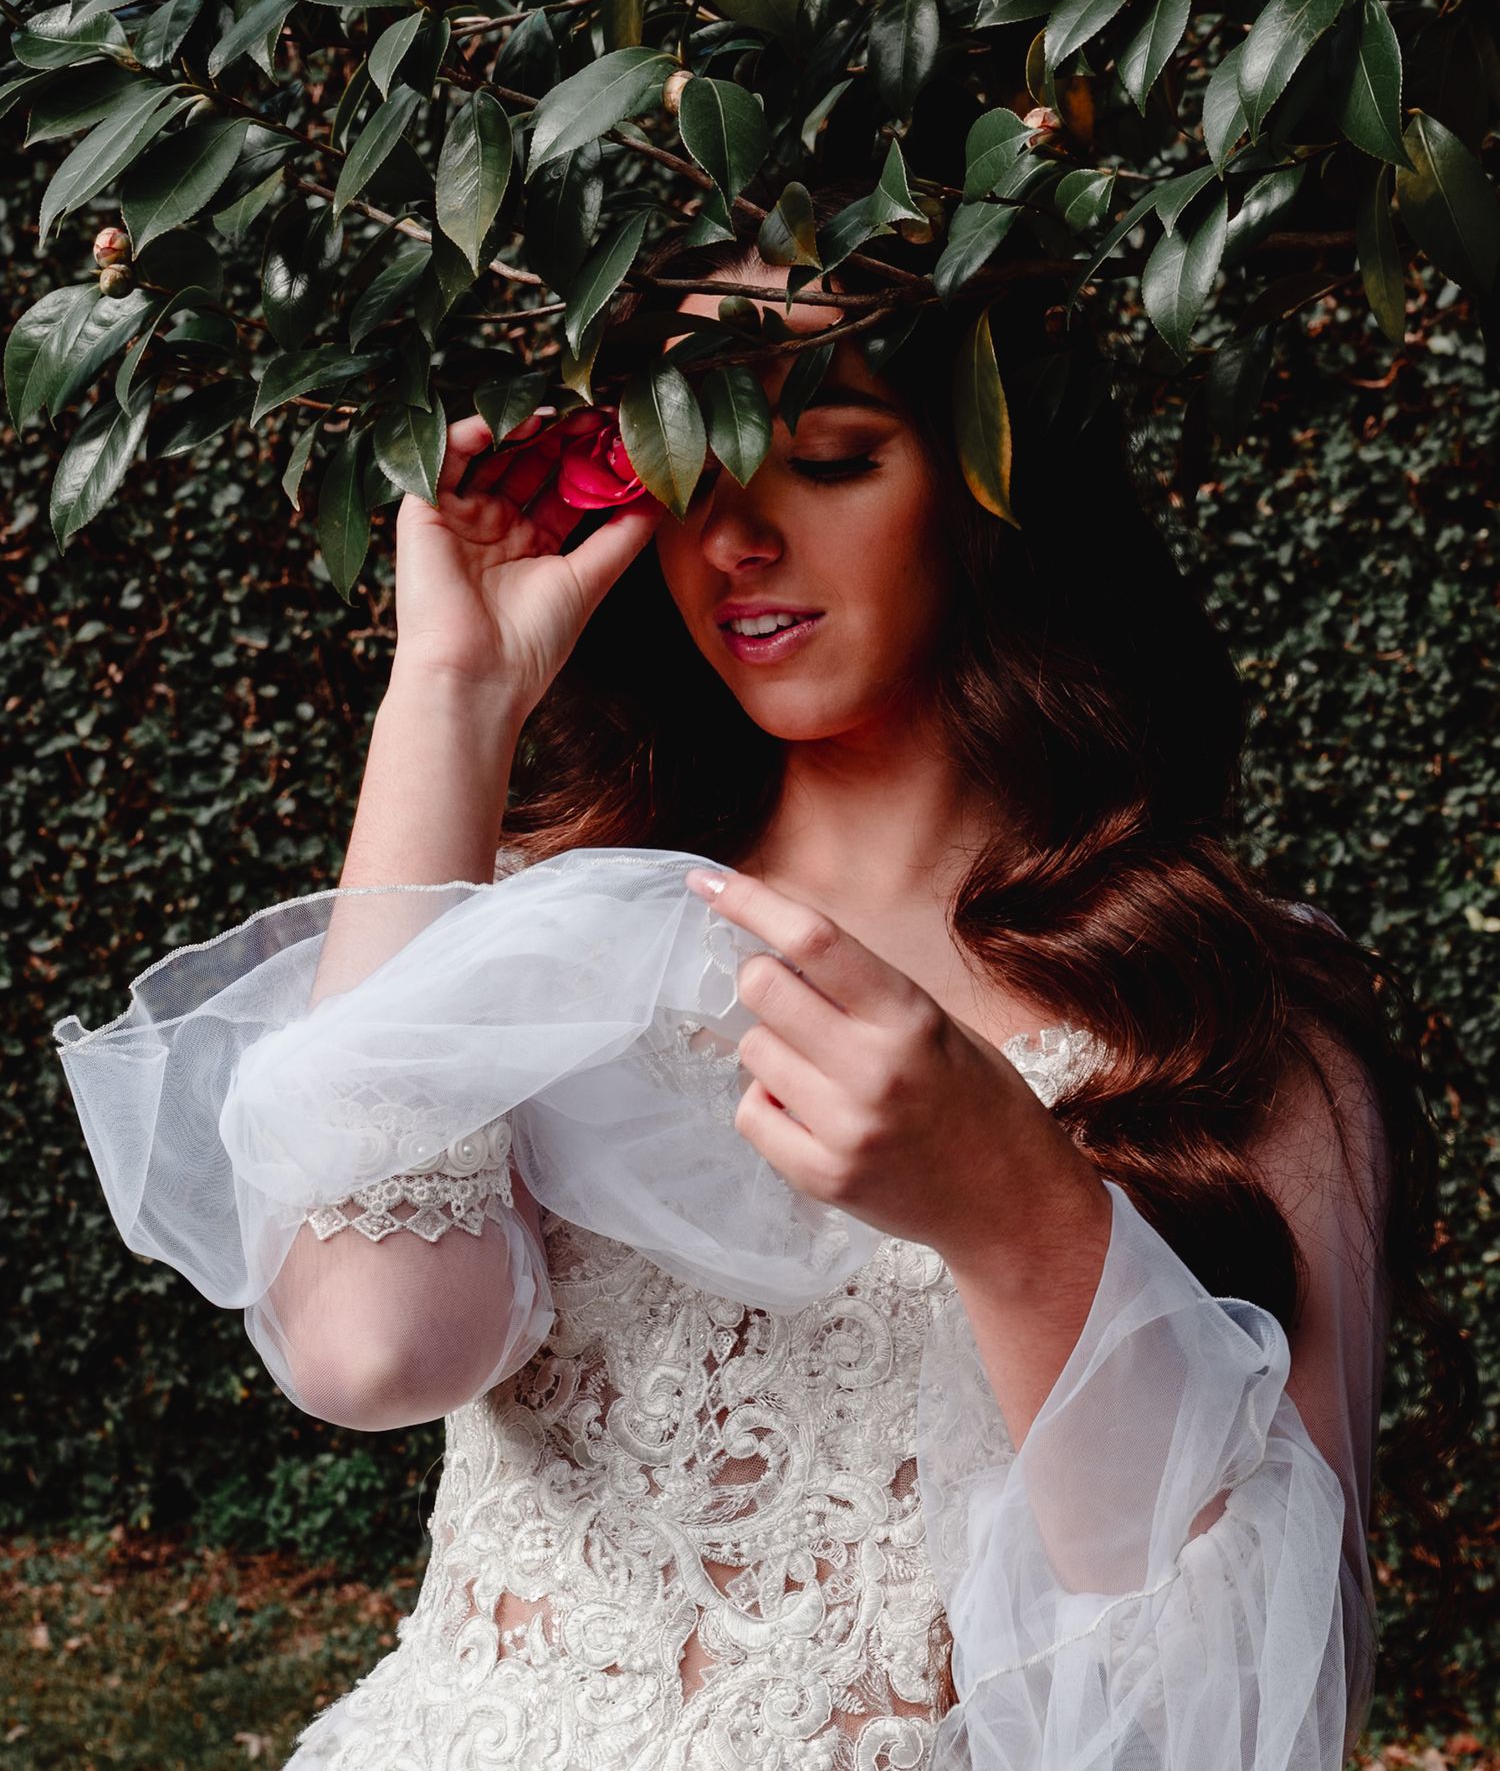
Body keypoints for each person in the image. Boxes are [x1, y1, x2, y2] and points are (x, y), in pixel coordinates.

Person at [53, 210, 1465, 1771]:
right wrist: (451, 695)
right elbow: (373, 1346)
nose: (739, 534)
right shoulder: (558, 918)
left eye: (833, 456)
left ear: (995, 476)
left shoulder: (1224, 1008)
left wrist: (1012, 1209)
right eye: (694, 458)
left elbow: (1257, 1706)